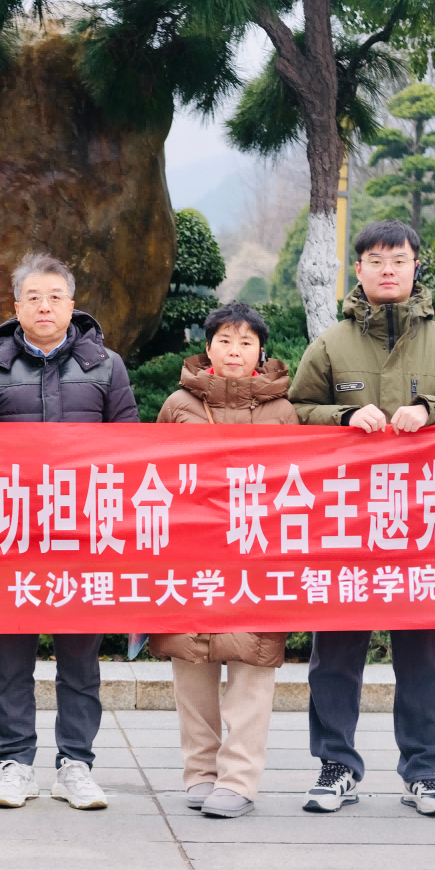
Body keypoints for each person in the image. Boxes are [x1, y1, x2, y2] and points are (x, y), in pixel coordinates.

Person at [288, 219, 435, 817]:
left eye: (398, 260)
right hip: (345, 520)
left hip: (424, 521)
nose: (387, 269)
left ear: (414, 267)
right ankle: (335, 766)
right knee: (336, 652)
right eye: (375, 260)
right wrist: (343, 418)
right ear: (358, 269)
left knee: (424, 654)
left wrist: (431, 410)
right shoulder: (331, 344)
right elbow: (294, 413)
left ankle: (424, 771)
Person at [0, 251, 137, 811]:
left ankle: (75, 765)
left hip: (84, 534)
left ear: (72, 305)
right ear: (16, 307)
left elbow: (130, 450)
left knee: (80, 657)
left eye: (54, 297)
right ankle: (15, 764)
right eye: (33, 297)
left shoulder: (106, 366)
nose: (44, 306)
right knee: (11, 657)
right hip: (12, 534)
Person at [151, 301, 297, 818]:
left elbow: (297, 485)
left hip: (257, 553)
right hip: (190, 553)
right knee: (191, 666)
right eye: (225, 341)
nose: (235, 351)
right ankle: (200, 773)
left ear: (261, 352)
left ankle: (238, 780)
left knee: (252, 665)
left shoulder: (283, 410)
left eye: (246, 342)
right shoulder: (178, 404)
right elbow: (154, 477)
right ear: (208, 347)